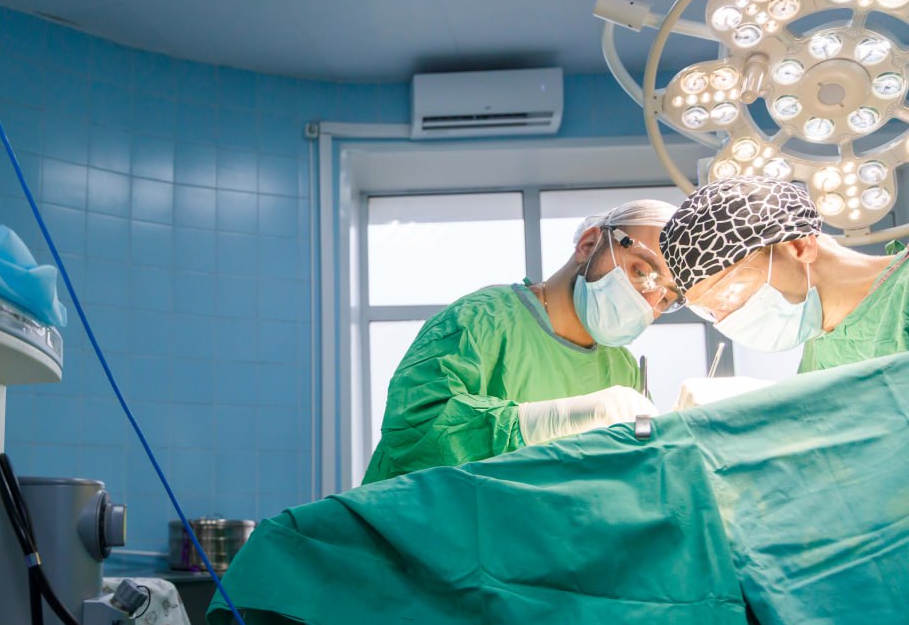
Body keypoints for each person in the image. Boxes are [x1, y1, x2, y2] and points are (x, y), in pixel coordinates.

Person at [363, 199, 680, 485]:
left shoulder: (624, 371)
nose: (649, 302)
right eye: (641, 272)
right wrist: (538, 423)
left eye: (667, 299)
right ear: (589, 244)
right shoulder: (482, 319)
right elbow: (415, 433)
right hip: (426, 527)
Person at [659, 176, 909, 371]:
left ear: (798, 245)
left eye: (729, 294)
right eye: (710, 312)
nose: (725, 320)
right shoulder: (821, 353)